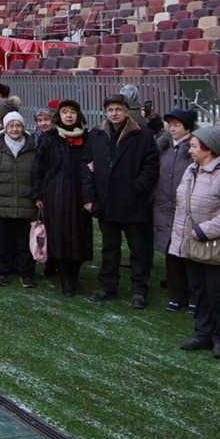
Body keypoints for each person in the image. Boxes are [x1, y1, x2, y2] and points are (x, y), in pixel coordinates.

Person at [171, 125, 220, 359]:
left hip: (215, 247)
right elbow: (182, 208)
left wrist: (206, 230)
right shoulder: (191, 170)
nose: (190, 150)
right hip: (192, 244)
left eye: (194, 146)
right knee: (200, 292)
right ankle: (202, 333)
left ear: (208, 148)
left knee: (217, 294)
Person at [83, 93, 161, 307]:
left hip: (134, 203)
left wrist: (135, 189)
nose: (114, 113)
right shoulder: (96, 134)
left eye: (118, 109)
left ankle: (139, 290)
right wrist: (90, 198)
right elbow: (86, 167)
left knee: (139, 249)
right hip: (105, 202)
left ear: (126, 111)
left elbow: (151, 166)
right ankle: (108, 286)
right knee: (109, 248)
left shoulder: (142, 134)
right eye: (110, 110)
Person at [33, 99, 93, 296]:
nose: (69, 115)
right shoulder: (49, 137)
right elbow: (38, 168)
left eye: (72, 112)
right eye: (65, 112)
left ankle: (75, 276)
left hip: (80, 194)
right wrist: (38, 194)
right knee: (58, 236)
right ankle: (65, 279)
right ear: (59, 115)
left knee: (79, 236)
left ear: (78, 115)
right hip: (54, 194)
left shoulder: (87, 137)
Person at [0, 111, 39, 287]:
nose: (15, 129)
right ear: (5, 128)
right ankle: (3, 272)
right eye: (11, 126)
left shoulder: (32, 148)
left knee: (24, 243)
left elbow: (38, 176)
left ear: (23, 128)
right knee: (2, 242)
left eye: (18, 125)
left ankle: (26, 274)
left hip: (25, 204)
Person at [154, 107, 199, 313]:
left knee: (190, 254)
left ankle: (194, 296)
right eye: (170, 125)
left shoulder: (194, 148)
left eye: (177, 125)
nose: (172, 129)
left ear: (187, 128)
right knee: (171, 252)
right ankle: (176, 295)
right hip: (164, 205)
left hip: (187, 207)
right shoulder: (163, 146)